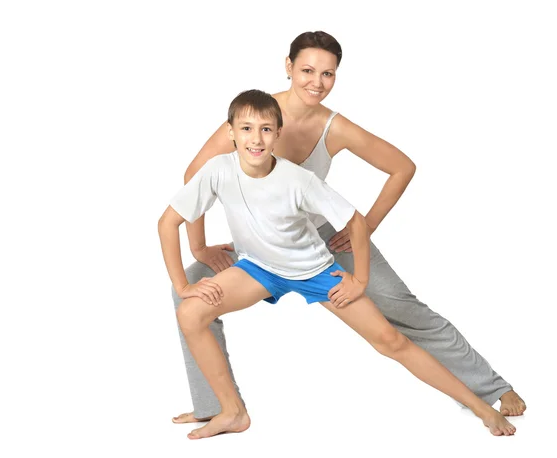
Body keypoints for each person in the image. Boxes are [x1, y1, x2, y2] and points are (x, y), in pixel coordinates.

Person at [171, 31, 526, 426]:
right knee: (187, 288)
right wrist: (200, 248)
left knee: (400, 308)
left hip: (323, 241)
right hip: (259, 246)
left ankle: (491, 388)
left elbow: (402, 167)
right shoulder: (255, 118)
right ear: (288, 67)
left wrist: (367, 227)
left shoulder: (333, 127)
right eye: (307, 70)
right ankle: (216, 407)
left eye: (328, 74)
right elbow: (195, 176)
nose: (316, 82)